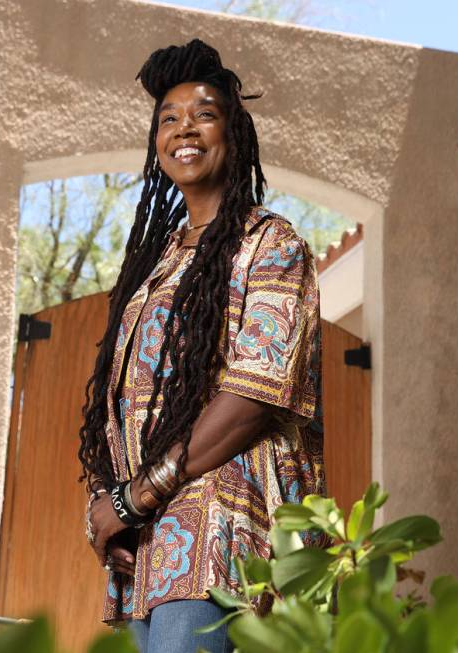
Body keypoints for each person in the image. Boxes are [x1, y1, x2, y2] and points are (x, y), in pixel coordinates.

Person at [77, 39, 325, 653]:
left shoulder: (272, 247)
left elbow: (253, 395)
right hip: (147, 545)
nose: (184, 128)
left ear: (234, 133)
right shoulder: (156, 262)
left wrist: (134, 497)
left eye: (204, 114)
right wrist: (112, 504)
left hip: (226, 527)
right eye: (169, 118)